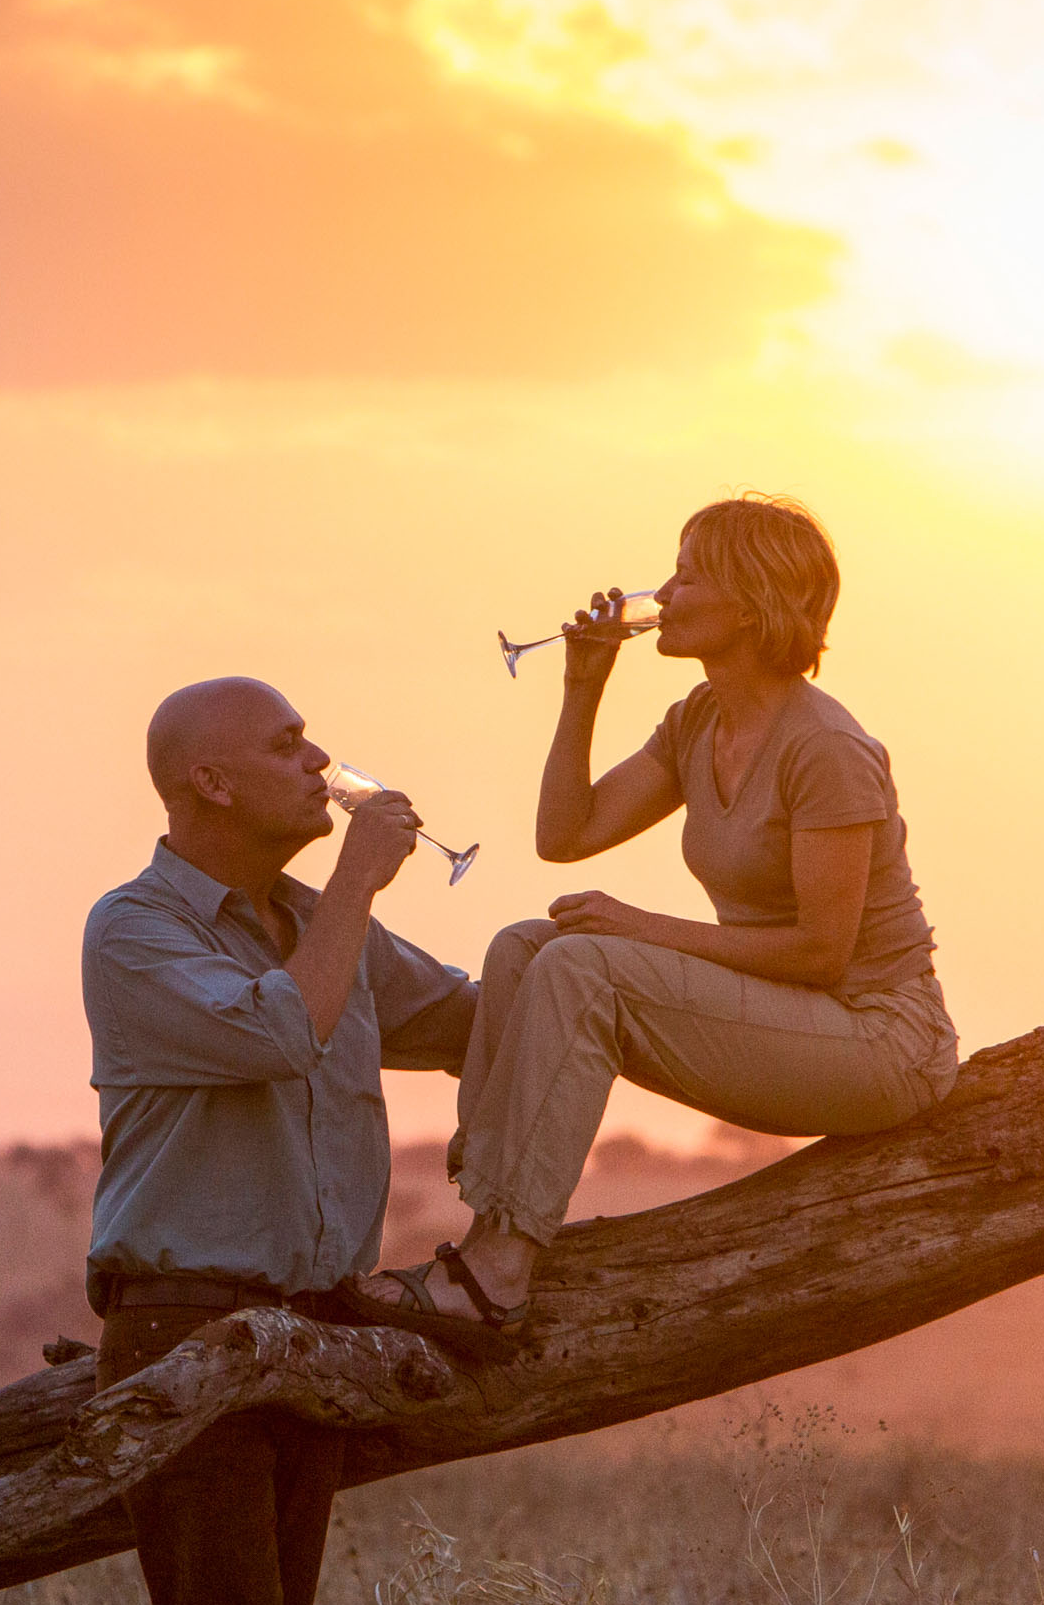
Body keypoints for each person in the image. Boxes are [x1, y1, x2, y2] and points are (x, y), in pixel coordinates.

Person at [365, 491, 958, 1333]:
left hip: (880, 1040)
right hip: (792, 1015)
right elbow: (565, 836)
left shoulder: (824, 748)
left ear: (750, 605)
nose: (664, 594)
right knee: (524, 947)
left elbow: (820, 955)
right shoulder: (698, 721)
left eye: (687, 577)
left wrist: (635, 926)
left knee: (584, 963)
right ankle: (486, 1228)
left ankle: (498, 1273)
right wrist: (582, 687)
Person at [83, 676, 476, 1605]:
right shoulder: (133, 929)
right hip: (187, 1330)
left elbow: (468, 1019)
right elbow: (278, 1033)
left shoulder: (315, 924)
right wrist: (356, 878)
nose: (320, 763)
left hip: (314, 1333)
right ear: (210, 781)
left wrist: (596, 969)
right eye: (288, 743)